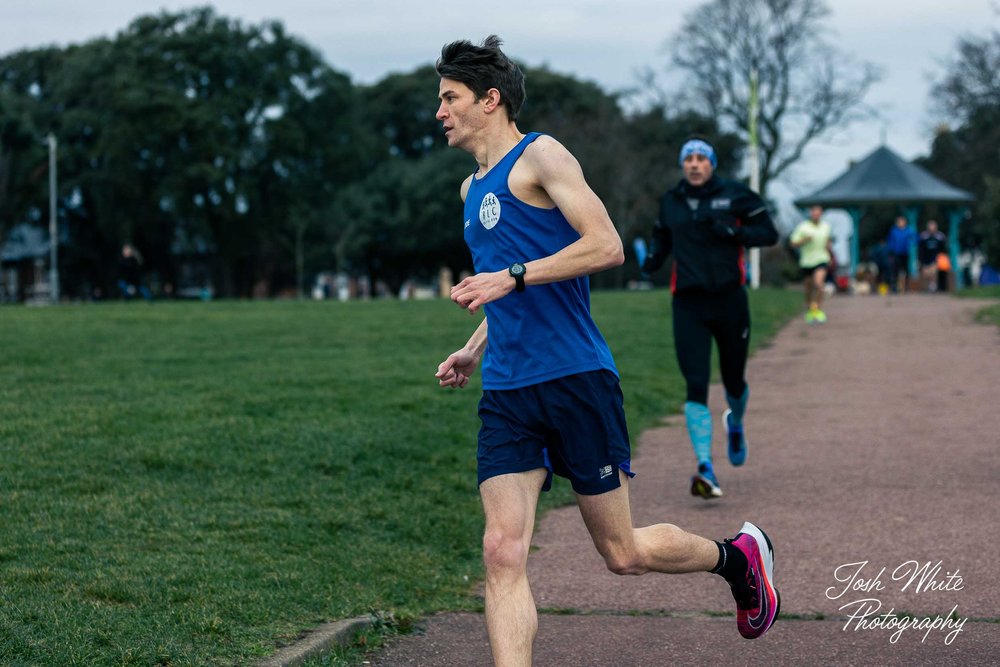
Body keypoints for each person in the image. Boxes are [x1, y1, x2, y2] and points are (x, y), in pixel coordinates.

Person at [432, 36, 779, 666]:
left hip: (575, 377)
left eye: (450, 98)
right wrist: (475, 346)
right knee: (501, 550)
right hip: (508, 390)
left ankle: (738, 559)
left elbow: (607, 246)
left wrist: (510, 275)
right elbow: (504, 287)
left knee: (622, 554)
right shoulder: (468, 191)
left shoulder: (541, 157)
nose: (440, 112)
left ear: (490, 100)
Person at [641, 137, 778, 500]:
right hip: (688, 304)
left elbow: (769, 233)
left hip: (730, 301)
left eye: (702, 158)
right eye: (689, 159)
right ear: (683, 165)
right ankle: (704, 465)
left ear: (712, 164)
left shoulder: (736, 196)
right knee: (696, 383)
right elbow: (662, 235)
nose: (695, 164)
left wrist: (734, 232)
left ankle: (735, 422)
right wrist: (653, 258)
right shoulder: (671, 200)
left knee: (734, 380)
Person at [789, 205, 834, 323]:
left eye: (818, 213)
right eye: (814, 213)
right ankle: (810, 309)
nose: (816, 215)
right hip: (807, 261)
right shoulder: (803, 227)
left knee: (819, 284)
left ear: (821, 214)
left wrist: (830, 255)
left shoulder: (826, 227)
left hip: (822, 258)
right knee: (808, 289)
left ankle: (817, 310)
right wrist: (804, 240)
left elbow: (827, 242)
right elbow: (793, 243)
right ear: (811, 214)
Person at [886, 216, 916, 293]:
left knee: (906, 270)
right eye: (899, 222)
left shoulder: (909, 230)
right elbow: (890, 241)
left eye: (902, 221)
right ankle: (894, 287)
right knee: (895, 271)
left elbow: (915, 238)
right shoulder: (894, 230)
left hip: (905, 253)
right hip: (896, 253)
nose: (901, 223)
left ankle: (906, 287)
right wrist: (891, 251)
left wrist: (913, 243)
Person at [918, 220, 947, 292]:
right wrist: (920, 258)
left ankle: (933, 286)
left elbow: (943, 248)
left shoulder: (940, 236)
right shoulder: (923, 236)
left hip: (936, 258)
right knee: (926, 274)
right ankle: (927, 287)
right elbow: (920, 248)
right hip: (925, 258)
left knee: (934, 273)